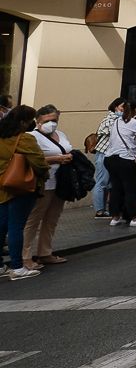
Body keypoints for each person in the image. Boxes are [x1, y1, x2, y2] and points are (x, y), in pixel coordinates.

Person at [0, 105, 49, 281]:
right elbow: (39, 162)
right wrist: (44, 174)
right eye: (30, 120)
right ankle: (17, 267)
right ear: (23, 122)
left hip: (2, 185)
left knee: (2, 225)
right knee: (16, 226)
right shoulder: (24, 139)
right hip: (21, 187)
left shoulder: (2, 136)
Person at [23, 105, 74, 270]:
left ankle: (45, 252)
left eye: (55, 120)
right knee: (33, 220)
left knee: (52, 219)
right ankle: (25, 257)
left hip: (61, 183)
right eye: (48, 120)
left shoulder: (61, 134)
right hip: (42, 183)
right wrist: (58, 159)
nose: (52, 123)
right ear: (38, 121)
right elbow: (29, 160)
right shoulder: (31, 136)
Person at [104, 99, 136, 227]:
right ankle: (135, 218)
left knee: (116, 188)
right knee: (130, 190)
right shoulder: (135, 122)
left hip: (110, 158)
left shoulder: (116, 122)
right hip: (126, 159)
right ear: (135, 110)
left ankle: (115, 217)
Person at [90, 98, 123, 218]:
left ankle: (103, 209)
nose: (123, 110)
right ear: (115, 107)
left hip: (109, 154)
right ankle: (99, 210)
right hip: (103, 153)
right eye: (121, 108)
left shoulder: (117, 119)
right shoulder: (110, 119)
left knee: (107, 183)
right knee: (101, 182)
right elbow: (110, 131)